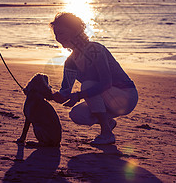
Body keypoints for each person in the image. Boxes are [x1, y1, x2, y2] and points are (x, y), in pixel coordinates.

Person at [50, 12, 138, 145]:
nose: (58, 38)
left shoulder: (94, 49)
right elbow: (65, 91)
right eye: (56, 35)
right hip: (107, 101)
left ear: (75, 31)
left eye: (61, 33)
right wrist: (50, 94)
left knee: (87, 85)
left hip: (126, 96)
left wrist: (79, 96)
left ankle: (106, 134)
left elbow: (106, 83)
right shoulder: (70, 61)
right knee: (76, 114)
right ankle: (107, 123)